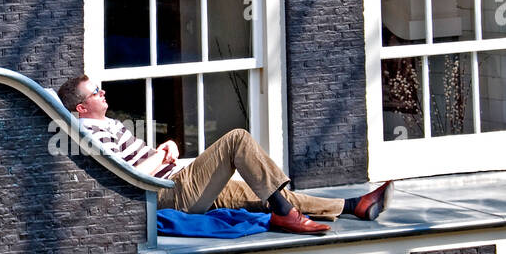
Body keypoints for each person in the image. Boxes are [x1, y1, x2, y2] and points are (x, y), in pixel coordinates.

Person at [57, 75, 392, 234]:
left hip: (174, 182)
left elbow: (142, 160)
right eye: (96, 92)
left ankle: (352, 206)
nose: (104, 93)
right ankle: (288, 215)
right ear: (82, 106)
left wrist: (167, 151)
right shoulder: (89, 133)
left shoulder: (109, 123)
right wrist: (161, 157)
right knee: (236, 140)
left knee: (266, 194)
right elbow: (125, 177)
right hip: (162, 195)